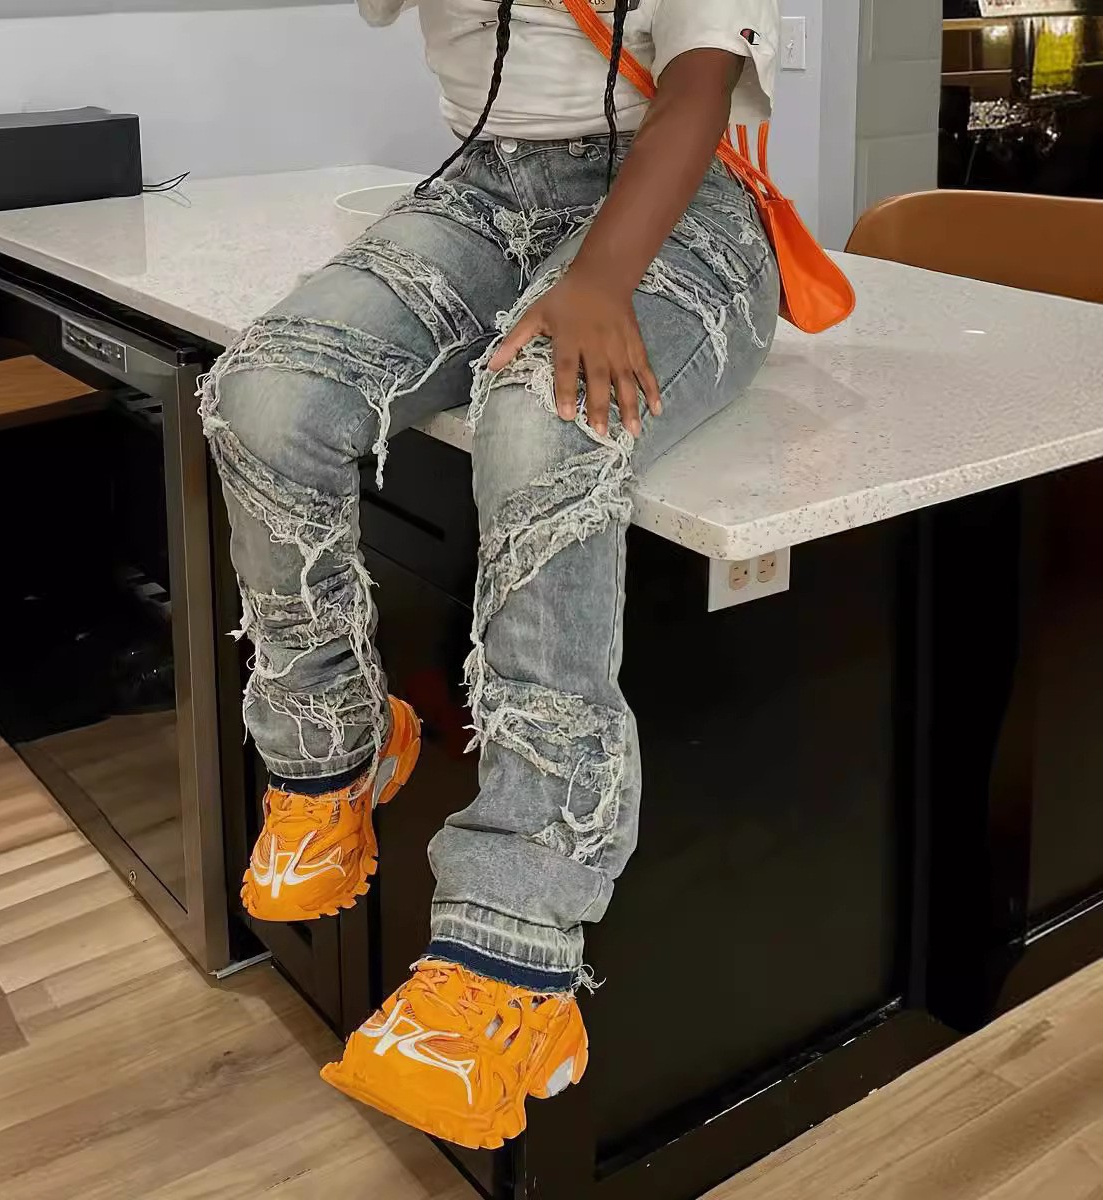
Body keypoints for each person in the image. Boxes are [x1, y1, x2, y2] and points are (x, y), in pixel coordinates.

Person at [200, 0, 780, 1151]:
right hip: (481, 189)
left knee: (546, 420)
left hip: (672, 199)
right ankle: (332, 750)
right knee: (265, 397)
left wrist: (602, 279)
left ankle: (519, 948)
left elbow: (700, 86)